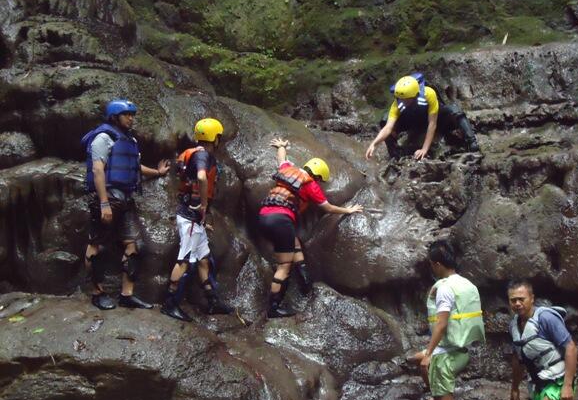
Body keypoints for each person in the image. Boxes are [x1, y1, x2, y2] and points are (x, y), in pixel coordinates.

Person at [258, 138, 363, 318]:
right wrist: (348, 210)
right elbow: (327, 207)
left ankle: (305, 277)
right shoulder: (310, 184)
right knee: (284, 265)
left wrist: (281, 146)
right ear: (318, 176)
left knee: (293, 241)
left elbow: (281, 159)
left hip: (264, 216)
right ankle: (273, 308)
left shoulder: (288, 170)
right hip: (281, 219)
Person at [81, 99, 170, 310]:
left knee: (133, 245)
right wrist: (104, 203)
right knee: (97, 245)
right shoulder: (103, 137)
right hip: (107, 198)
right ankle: (97, 292)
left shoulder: (129, 140)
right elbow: (97, 170)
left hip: (126, 200)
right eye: (126, 114)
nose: (131, 118)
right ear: (114, 117)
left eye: (132, 114)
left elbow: (134, 165)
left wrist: (157, 172)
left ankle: (126, 294)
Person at [413, 240, 485, 400]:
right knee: (420, 360)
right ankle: (435, 396)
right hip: (462, 351)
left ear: (436, 264)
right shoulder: (467, 284)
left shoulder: (445, 288)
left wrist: (429, 353)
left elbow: (442, 324)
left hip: (445, 356)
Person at [160, 118, 234, 322]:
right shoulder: (203, 155)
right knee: (184, 260)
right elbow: (201, 178)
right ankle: (170, 303)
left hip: (193, 218)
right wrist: (202, 204)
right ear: (214, 138)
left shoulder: (191, 154)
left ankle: (212, 301)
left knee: (203, 260)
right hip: (190, 216)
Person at [508, 279, 578, 400]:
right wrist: (514, 388)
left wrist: (568, 385)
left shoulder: (546, 318)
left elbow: (571, 347)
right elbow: (518, 359)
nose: (517, 303)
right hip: (540, 383)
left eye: (521, 299)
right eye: (513, 300)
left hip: (557, 380)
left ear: (532, 298)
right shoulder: (514, 326)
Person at [365, 73, 479, 161]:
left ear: (415, 94)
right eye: (401, 99)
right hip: (412, 122)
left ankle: (471, 142)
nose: (403, 101)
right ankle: (396, 154)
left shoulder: (428, 93)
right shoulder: (397, 103)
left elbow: (432, 123)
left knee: (455, 110)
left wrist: (425, 149)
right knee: (384, 120)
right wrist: (374, 144)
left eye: (406, 99)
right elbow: (388, 127)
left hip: (434, 119)